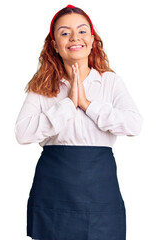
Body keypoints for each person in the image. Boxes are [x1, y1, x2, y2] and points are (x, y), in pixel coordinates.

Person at [15, 4, 143, 240]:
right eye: (65, 33)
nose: (75, 38)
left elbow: (134, 125)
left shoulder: (110, 82)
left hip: (100, 190)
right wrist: (68, 104)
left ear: (92, 40)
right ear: (54, 44)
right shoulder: (43, 87)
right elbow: (22, 133)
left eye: (82, 31)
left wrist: (87, 104)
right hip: (54, 189)